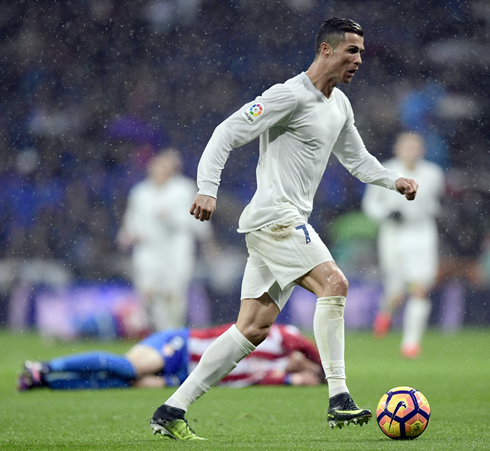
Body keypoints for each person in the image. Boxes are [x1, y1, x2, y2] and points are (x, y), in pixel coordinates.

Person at [150, 17, 419, 440]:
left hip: (283, 223)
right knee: (335, 283)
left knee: (252, 328)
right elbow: (226, 133)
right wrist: (207, 189)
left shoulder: (339, 105)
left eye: (362, 52)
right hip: (276, 219)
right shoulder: (288, 96)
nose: (359, 60)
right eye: (352, 50)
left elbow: (357, 159)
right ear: (326, 50)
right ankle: (339, 398)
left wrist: (393, 180)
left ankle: (171, 408)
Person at [17, 323, 324, 390]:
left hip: (184, 376)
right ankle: (45, 366)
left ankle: (45, 382)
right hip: (181, 344)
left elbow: (281, 379)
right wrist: (324, 367)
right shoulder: (276, 334)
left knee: (129, 383)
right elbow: (303, 343)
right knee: (130, 367)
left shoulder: (272, 370)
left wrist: (302, 377)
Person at [362, 131, 445, 358]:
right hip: (393, 236)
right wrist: (387, 214)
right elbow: (370, 205)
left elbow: (435, 203)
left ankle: (410, 344)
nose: (411, 151)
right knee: (396, 293)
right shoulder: (385, 171)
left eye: (415, 146)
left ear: (422, 150)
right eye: (407, 146)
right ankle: (386, 312)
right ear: (397, 149)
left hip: (422, 234)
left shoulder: (433, 173)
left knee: (419, 289)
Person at [117, 148, 212, 331]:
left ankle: (172, 330)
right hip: (148, 249)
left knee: (173, 294)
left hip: (176, 249)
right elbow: (131, 219)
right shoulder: (140, 192)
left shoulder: (184, 189)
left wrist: (172, 218)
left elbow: (199, 222)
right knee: (148, 293)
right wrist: (127, 234)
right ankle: (159, 329)